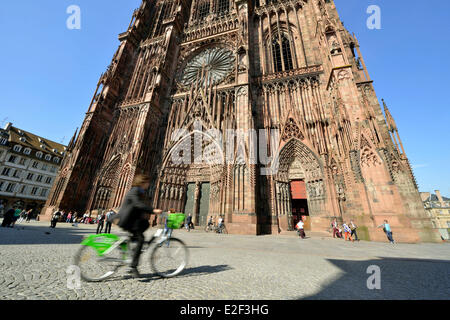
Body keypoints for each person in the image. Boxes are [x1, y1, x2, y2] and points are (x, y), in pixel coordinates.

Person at [108, 174, 162, 278]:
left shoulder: (139, 192)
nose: (148, 184)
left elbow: (138, 206)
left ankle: (131, 246)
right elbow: (138, 204)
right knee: (141, 239)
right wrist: (153, 210)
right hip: (126, 220)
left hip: (132, 220)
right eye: (147, 182)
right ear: (142, 183)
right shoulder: (135, 191)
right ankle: (133, 266)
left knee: (145, 224)